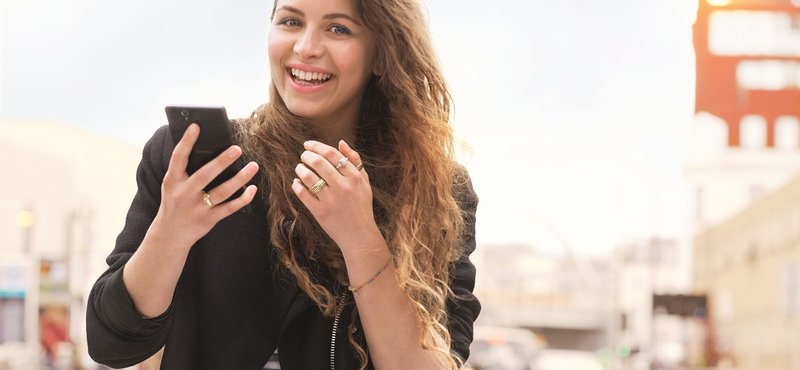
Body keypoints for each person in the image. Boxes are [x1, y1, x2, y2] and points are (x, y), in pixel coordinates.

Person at [85, 0, 480, 369]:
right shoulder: (194, 162)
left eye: (338, 29)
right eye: (291, 21)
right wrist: (170, 234)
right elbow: (110, 343)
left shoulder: (440, 192)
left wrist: (362, 241)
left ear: (381, 53)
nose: (306, 48)